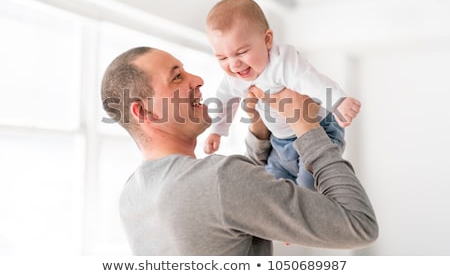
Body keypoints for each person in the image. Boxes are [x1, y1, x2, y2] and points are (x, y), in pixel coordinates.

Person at [100, 46, 378, 255]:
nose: (197, 79)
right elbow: (359, 225)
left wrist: (259, 127)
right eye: (176, 78)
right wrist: (305, 124)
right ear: (143, 112)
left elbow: (235, 202)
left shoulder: (132, 196)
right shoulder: (218, 180)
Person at [203, 0, 361, 190]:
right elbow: (224, 101)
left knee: (307, 188)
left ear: (267, 40)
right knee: (274, 188)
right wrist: (217, 131)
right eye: (222, 57)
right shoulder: (234, 79)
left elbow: (310, 80)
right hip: (279, 143)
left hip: (318, 130)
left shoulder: (281, 62)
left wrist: (338, 100)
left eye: (242, 52)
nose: (234, 64)